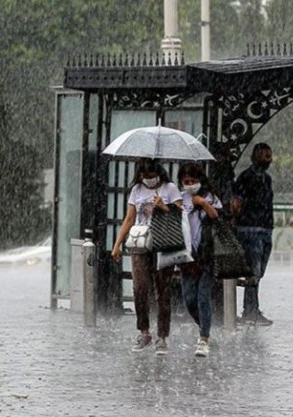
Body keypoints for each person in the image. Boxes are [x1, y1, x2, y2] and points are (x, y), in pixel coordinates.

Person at [111, 158, 182, 356]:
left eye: (151, 176)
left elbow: (181, 215)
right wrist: (117, 244)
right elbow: (129, 218)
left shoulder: (170, 188)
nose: (148, 180)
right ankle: (144, 331)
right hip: (141, 243)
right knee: (140, 287)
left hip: (163, 243)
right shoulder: (137, 190)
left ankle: (162, 335)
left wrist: (164, 207)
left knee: (162, 289)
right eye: (145, 176)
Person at [177, 162, 222, 357]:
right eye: (186, 181)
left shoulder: (210, 196)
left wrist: (202, 202)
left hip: (207, 255)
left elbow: (217, 216)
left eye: (193, 181)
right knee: (189, 298)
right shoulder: (179, 198)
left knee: (203, 296)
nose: (189, 184)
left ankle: (204, 338)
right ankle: (204, 326)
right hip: (187, 256)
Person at [231, 142, 274, 326]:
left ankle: (252, 308)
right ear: (255, 157)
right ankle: (250, 310)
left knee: (259, 271)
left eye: (269, 156)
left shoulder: (267, 179)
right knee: (253, 271)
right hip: (249, 229)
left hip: (265, 229)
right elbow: (236, 203)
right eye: (264, 156)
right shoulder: (245, 178)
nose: (267, 159)